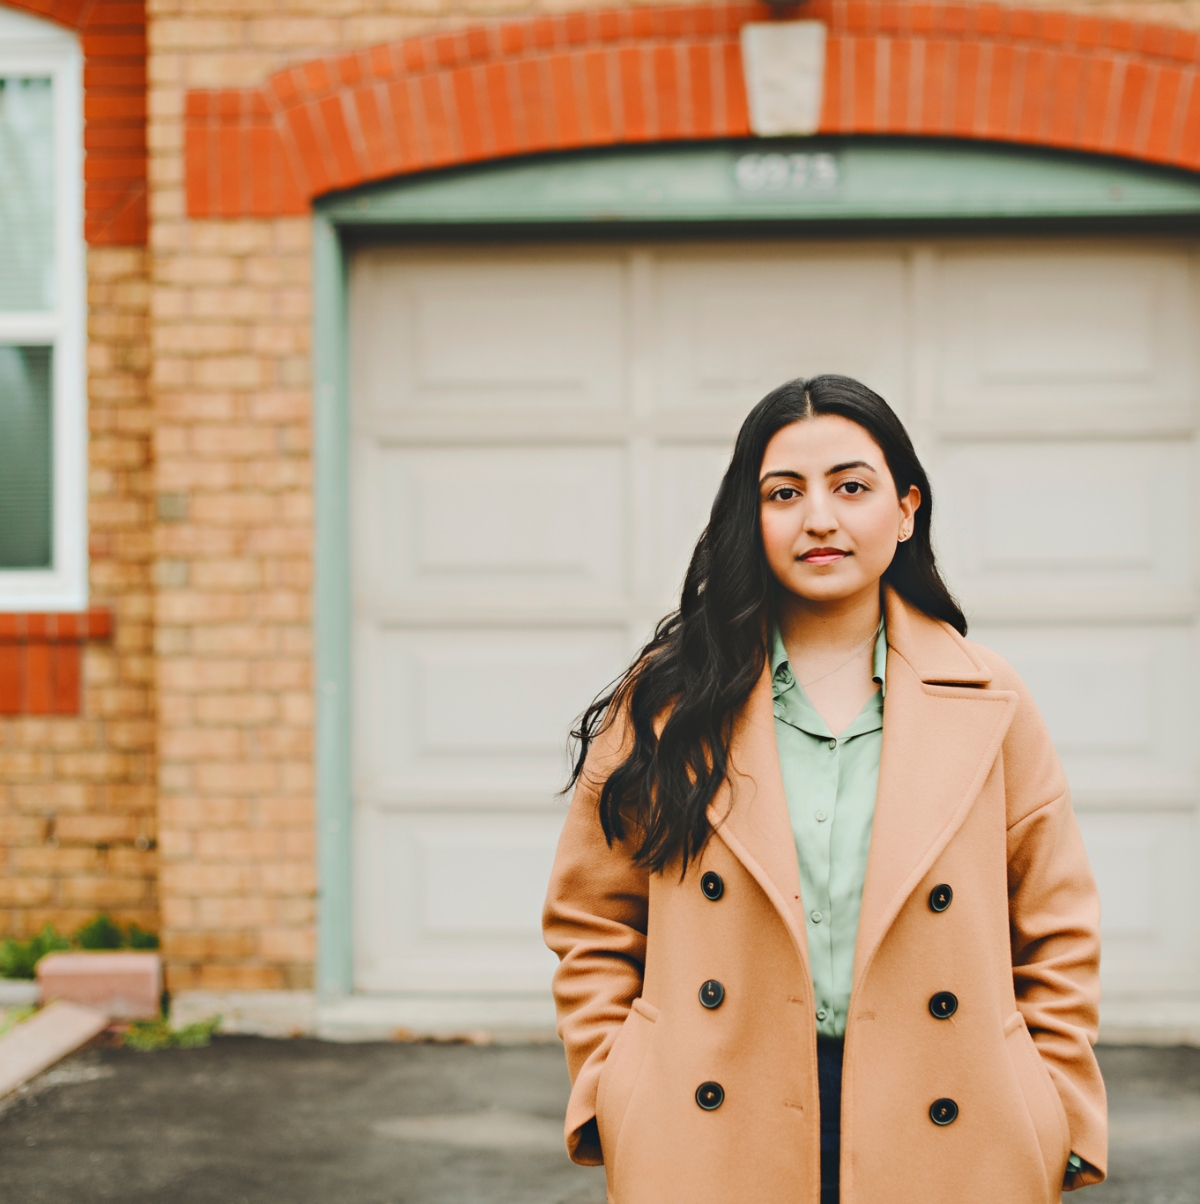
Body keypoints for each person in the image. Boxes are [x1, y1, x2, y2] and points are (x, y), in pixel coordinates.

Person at [543, 376, 1107, 1204]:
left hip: (953, 1119)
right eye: (784, 492)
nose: (820, 518)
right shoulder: (667, 702)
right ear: (752, 515)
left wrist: (1053, 1107)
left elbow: (1056, 932)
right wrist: (615, 1087)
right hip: (712, 1117)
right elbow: (593, 920)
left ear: (907, 508)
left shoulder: (991, 700)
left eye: (852, 486)